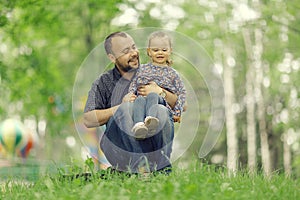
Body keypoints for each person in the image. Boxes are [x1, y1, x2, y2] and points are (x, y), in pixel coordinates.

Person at [83, 31, 178, 173]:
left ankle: (162, 167)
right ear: (112, 57)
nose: (134, 53)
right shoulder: (103, 82)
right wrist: (119, 107)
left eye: (134, 47)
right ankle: (140, 167)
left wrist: (160, 91)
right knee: (125, 109)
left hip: (154, 146)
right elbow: (88, 119)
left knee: (162, 110)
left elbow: (178, 104)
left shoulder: (152, 73)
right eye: (126, 51)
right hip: (120, 151)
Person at [129, 31, 186, 140]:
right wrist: (130, 95)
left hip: (160, 102)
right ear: (149, 52)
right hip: (142, 101)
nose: (160, 52)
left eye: (164, 50)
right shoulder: (142, 69)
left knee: (153, 96)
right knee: (139, 100)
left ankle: (151, 120)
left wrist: (177, 112)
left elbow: (182, 93)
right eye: (155, 50)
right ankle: (139, 126)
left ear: (170, 51)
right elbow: (134, 82)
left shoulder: (172, 74)